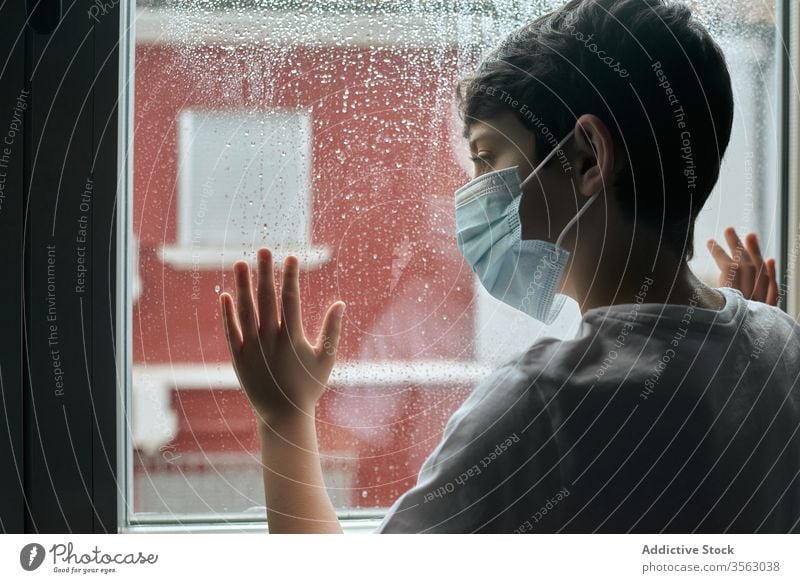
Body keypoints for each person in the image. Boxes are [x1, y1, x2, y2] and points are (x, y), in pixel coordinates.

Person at [219, 0, 800, 533]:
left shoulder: (536, 411)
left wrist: (284, 417)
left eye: (486, 159)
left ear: (586, 158)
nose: (472, 192)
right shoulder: (781, 345)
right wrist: (743, 332)